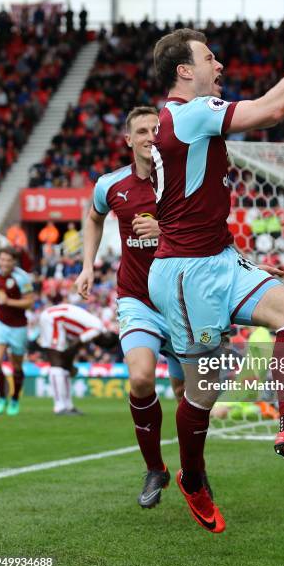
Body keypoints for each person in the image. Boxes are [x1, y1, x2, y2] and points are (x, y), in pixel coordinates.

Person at [149, 27, 284, 532]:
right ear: (184, 71)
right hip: (187, 274)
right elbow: (273, 110)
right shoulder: (189, 113)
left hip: (220, 259)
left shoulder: (188, 122)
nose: (221, 66)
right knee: (204, 391)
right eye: (210, 59)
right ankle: (192, 475)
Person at [75, 106, 199, 509]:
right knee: (141, 379)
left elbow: (205, 231)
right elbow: (93, 218)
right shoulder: (111, 185)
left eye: (155, 130)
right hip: (137, 299)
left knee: (187, 394)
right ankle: (154, 469)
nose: (149, 136)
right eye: (141, 131)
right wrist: (87, 265)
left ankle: (194, 471)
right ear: (128, 139)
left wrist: (165, 230)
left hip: (182, 302)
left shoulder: (185, 182)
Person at [35, 301, 117, 415]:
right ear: (106, 338)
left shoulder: (97, 326)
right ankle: (60, 407)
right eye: (102, 344)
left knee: (62, 365)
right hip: (53, 319)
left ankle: (68, 406)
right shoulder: (96, 330)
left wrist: (69, 365)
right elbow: (74, 346)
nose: (99, 345)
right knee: (57, 363)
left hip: (55, 318)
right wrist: (70, 366)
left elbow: (74, 348)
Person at [0, 246, 34, 415]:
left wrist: (8, 302)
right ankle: (1, 397)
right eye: (2, 259)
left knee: (17, 366)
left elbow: (29, 302)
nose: (5, 263)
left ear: (14, 261)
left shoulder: (22, 278)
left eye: (8, 260)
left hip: (18, 326)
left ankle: (14, 399)